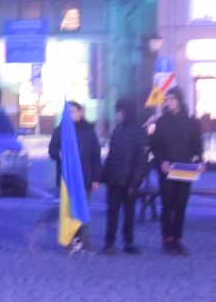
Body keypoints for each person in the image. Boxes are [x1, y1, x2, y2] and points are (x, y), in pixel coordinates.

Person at [150, 86, 204, 255]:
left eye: (172, 98)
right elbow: (154, 147)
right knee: (168, 204)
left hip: (185, 169)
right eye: (167, 99)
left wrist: (200, 161)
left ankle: (177, 238)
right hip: (167, 170)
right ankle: (167, 238)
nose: (169, 102)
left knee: (181, 204)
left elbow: (197, 146)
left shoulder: (190, 122)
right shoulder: (161, 121)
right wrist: (161, 162)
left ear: (179, 100)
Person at [48, 100, 102, 251]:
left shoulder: (88, 132)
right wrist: (58, 153)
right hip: (66, 180)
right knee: (67, 212)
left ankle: (84, 242)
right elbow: (51, 151)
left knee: (82, 211)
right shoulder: (60, 130)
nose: (69, 115)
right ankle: (69, 240)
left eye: (72, 112)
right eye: (67, 112)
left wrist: (97, 178)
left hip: (84, 178)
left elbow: (95, 155)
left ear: (79, 113)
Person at [102, 98, 149, 254]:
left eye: (120, 111)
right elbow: (111, 155)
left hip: (129, 182)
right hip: (114, 179)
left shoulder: (138, 132)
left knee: (129, 213)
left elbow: (142, 161)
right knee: (112, 213)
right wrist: (105, 174)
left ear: (126, 112)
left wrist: (135, 183)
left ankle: (128, 242)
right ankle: (110, 242)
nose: (118, 114)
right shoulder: (118, 129)